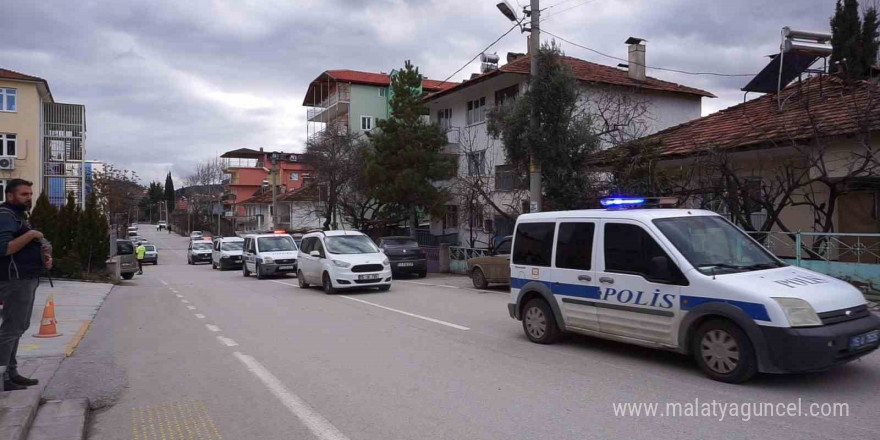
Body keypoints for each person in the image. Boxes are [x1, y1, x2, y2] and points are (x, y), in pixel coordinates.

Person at [0, 179, 51, 391]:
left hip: (26, 278)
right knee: (11, 328)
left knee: (19, 327)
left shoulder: (18, 216)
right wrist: (31, 235)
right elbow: (5, 249)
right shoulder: (5, 216)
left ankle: (11, 372)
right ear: (10, 196)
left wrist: (45, 254)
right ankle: (4, 376)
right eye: (24, 194)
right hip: (15, 279)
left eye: (30, 194)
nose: (29, 198)